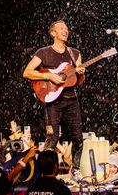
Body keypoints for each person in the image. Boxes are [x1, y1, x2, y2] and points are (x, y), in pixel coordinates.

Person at [23, 20, 85, 179]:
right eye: (61, 28)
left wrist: (81, 73)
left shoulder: (74, 53)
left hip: (71, 99)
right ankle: (46, 172)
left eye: (67, 28)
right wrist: (48, 75)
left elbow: (78, 81)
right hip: (52, 101)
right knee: (52, 137)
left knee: (78, 136)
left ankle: (76, 169)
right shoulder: (43, 52)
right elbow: (27, 72)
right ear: (53, 33)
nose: (66, 30)